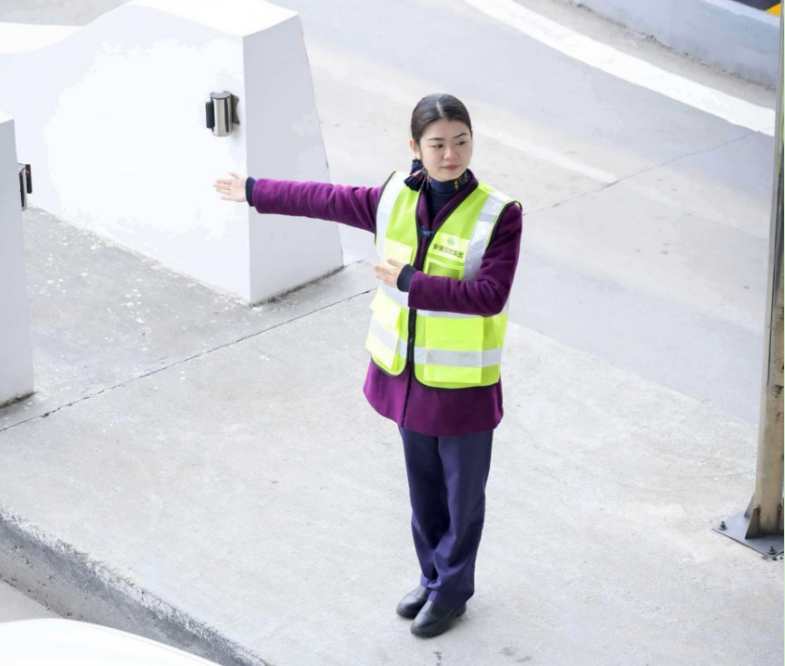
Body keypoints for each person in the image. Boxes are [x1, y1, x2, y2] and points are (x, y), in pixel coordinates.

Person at [214, 93, 523, 638]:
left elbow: (490, 294)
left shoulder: (500, 214)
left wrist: (411, 282)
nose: (451, 154)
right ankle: (432, 580)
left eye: (461, 142)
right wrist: (253, 191)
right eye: (438, 144)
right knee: (424, 494)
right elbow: (326, 199)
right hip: (408, 380)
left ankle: (452, 593)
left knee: (461, 500)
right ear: (415, 147)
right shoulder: (392, 199)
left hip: (463, 387)